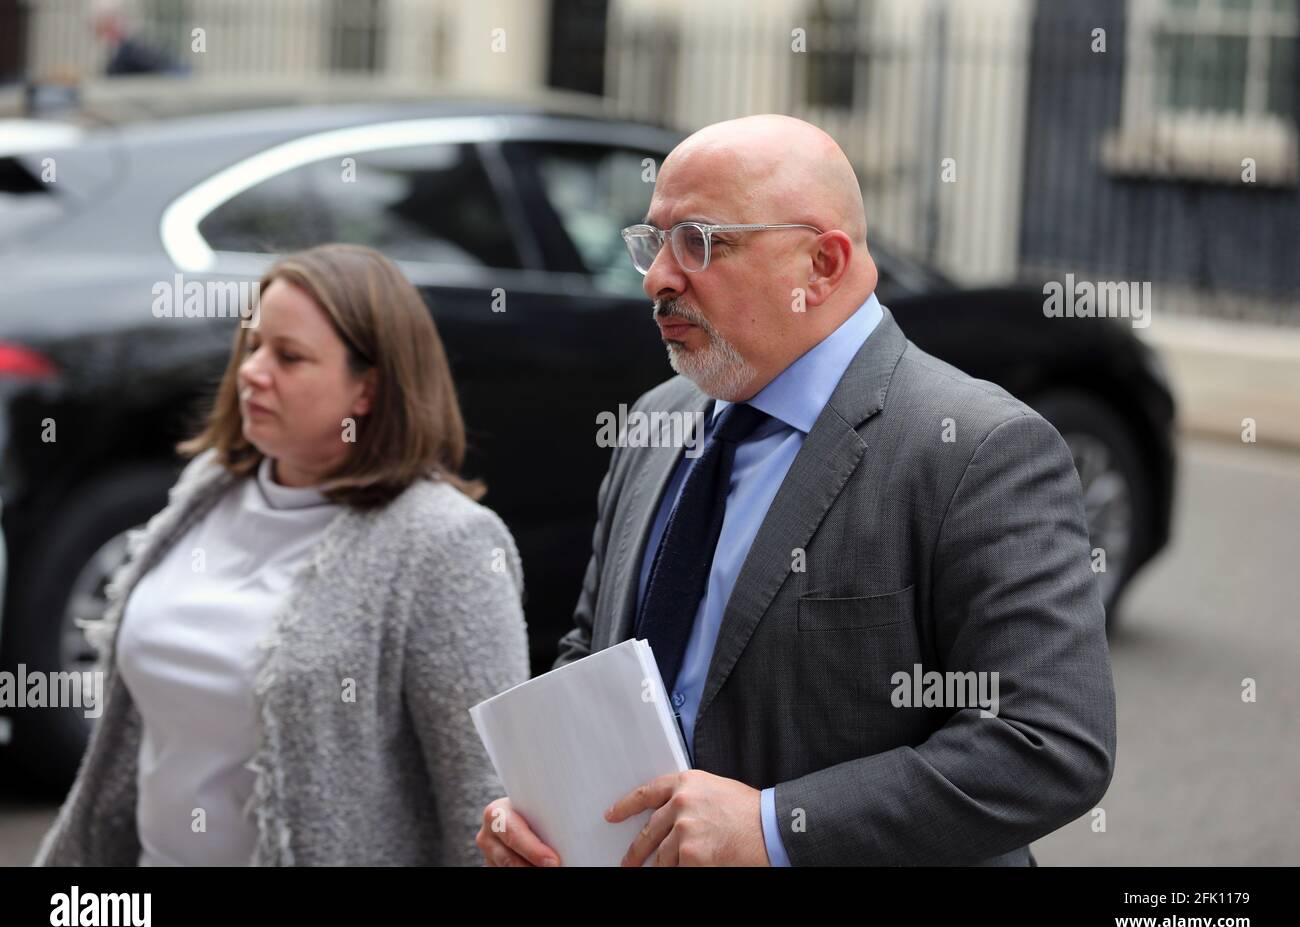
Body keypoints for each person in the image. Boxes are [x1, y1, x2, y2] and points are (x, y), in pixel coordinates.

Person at [477, 115, 1116, 867]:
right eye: (652, 242)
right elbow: (594, 650)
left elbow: (1045, 741)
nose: (656, 279)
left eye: (700, 243)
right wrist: (541, 808)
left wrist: (778, 829)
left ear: (820, 264)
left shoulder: (977, 448)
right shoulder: (658, 419)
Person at [35, 244, 528, 865]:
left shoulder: (443, 543)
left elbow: (484, 801)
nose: (252, 371)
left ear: (367, 391)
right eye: (252, 344)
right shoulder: (209, 485)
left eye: (289, 357)